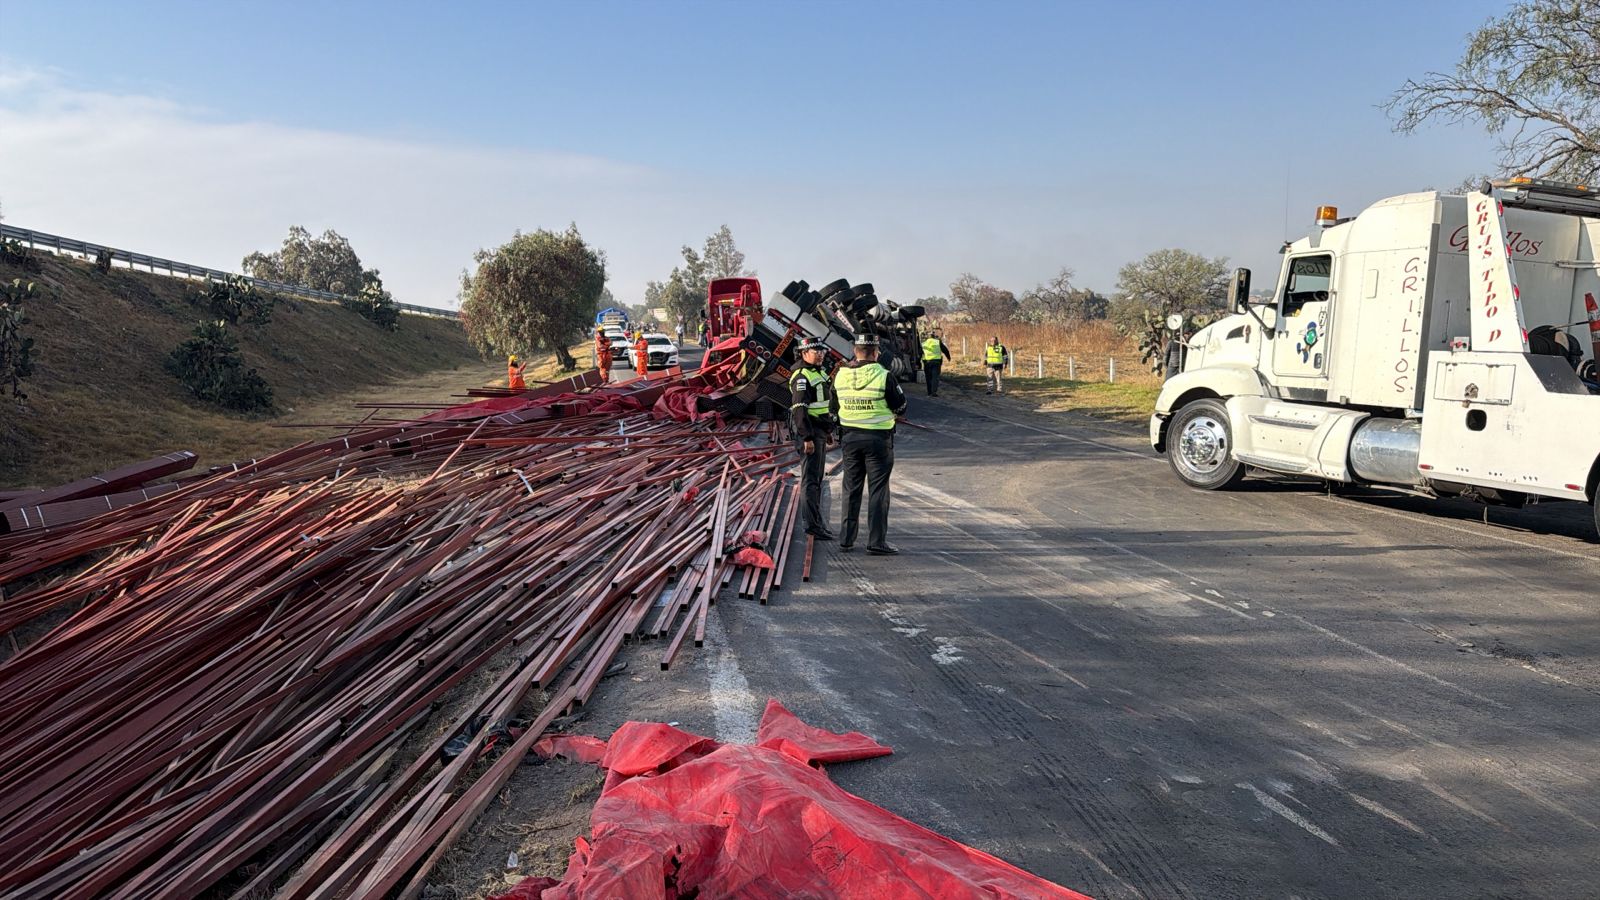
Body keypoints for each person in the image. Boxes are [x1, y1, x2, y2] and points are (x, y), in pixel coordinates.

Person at [832, 333, 908, 555]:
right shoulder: (884, 376)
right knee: (878, 490)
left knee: (851, 488)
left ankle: (846, 539)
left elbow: (833, 408)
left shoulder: (840, 376)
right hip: (878, 440)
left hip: (850, 439)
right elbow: (901, 406)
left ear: (855, 352)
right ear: (876, 353)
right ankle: (876, 542)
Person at [789, 337, 837, 540]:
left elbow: (824, 404)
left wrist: (827, 432)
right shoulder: (802, 376)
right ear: (803, 353)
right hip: (810, 432)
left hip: (819, 430)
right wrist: (807, 437)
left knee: (817, 479)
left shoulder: (819, 372)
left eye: (821, 351)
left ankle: (816, 522)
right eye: (814, 351)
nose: (820, 354)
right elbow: (800, 409)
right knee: (811, 480)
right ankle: (811, 525)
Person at [920, 329, 952, 397]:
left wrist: (918, 362)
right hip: (936, 362)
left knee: (928, 378)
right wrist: (948, 357)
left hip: (927, 363)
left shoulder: (923, 343)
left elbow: (920, 353)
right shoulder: (937, 342)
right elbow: (945, 350)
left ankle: (929, 392)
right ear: (934, 336)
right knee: (935, 377)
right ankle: (933, 392)